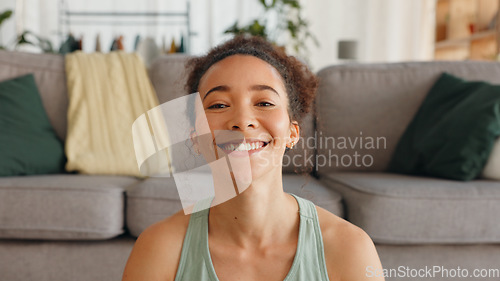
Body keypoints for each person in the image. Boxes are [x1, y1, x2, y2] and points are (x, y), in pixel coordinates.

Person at [122, 36, 385, 281]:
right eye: (219, 105)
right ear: (195, 139)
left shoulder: (350, 249)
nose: (242, 120)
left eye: (264, 103)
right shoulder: (158, 249)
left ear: (293, 133)